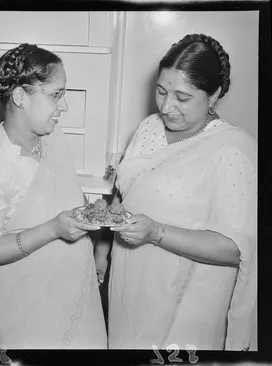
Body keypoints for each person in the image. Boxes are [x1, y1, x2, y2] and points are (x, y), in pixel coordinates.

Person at [96, 33, 257, 350]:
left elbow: (235, 248)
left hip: (189, 299)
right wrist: (103, 248)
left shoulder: (233, 150)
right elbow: (128, 188)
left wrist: (155, 232)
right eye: (161, 91)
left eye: (182, 98)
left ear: (214, 95)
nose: (166, 107)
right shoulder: (149, 128)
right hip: (132, 281)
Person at [0, 43, 107, 349]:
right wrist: (53, 229)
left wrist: (94, 213)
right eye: (56, 94)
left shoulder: (54, 136)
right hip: (27, 311)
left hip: (75, 291)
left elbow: (69, 199)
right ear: (20, 96)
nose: (63, 106)